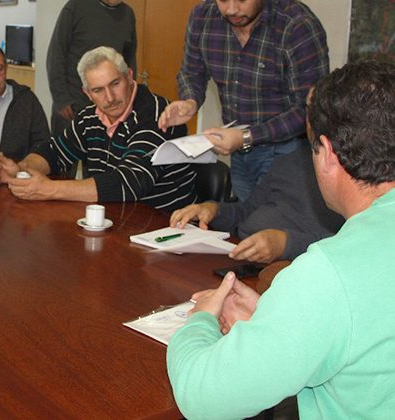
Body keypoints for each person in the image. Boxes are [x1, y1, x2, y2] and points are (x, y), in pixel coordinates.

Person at [166, 60, 395, 418]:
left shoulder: (327, 274)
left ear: (328, 153)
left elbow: (201, 397)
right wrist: (278, 319)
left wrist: (199, 321)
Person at [158, 0, 329, 201]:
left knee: (275, 227)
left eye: (241, 0)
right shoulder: (202, 17)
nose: (231, 9)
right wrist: (190, 100)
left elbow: (310, 108)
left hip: (287, 151)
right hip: (240, 150)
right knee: (246, 223)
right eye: (222, 0)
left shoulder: (296, 25)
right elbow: (191, 71)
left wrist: (247, 136)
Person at [0, 47, 196, 210]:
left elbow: (130, 182)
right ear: (87, 93)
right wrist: (23, 171)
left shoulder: (160, 115)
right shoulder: (90, 117)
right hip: (116, 219)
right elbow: (54, 151)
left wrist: (49, 189)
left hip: (165, 227)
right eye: (98, 90)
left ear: (129, 76)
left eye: (115, 84)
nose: (110, 98)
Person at [169, 146, 344, 263]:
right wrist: (213, 210)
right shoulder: (290, 160)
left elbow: (346, 245)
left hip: (290, 268)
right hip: (240, 252)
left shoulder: (351, 173)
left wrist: (286, 244)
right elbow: (246, 211)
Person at [47, 0, 136, 140]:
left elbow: (129, 60)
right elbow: (56, 55)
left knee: (101, 157)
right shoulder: (75, 7)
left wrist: (130, 95)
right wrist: (61, 99)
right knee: (62, 157)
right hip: (73, 103)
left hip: (109, 106)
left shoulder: (128, 14)